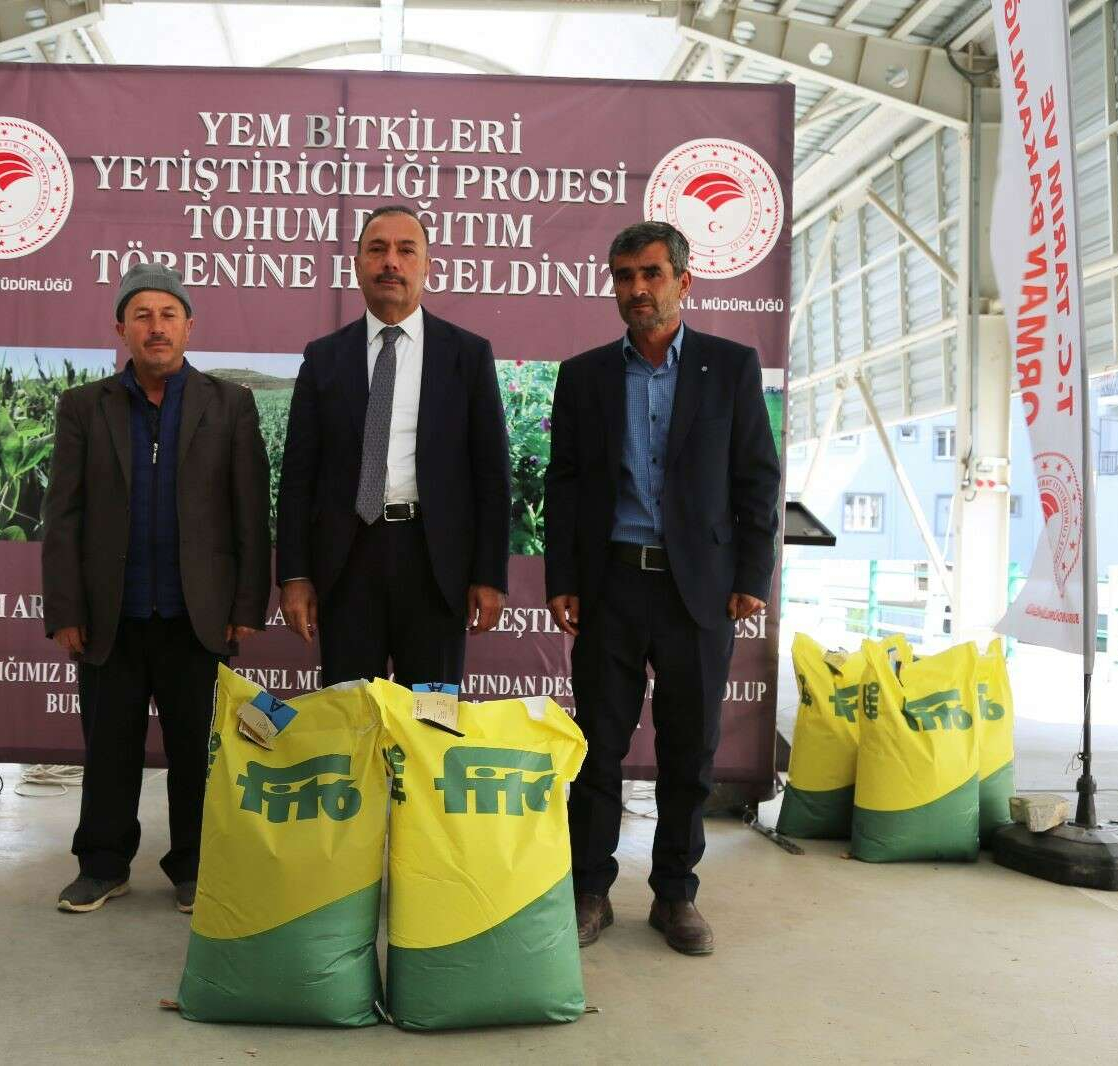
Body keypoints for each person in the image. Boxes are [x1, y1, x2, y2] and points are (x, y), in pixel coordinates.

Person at [544, 220, 781, 954]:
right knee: (597, 748)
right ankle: (589, 891)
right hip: (611, 585)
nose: (637, 289)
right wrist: (563, 579)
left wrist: (752, 575)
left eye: (651, 274)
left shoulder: (729, 367)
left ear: (684, 280)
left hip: (697, 590)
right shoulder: (585, 375)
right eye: (624, 276)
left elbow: (757, 478)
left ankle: (675, 895)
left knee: (689, 751)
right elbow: (565, 484)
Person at [41, 263, 271, 916]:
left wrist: (246, 605)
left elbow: (251, 513)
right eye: (141, 315)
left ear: (188, 326)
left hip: (197, 617)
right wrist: (66, 609)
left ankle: (195, 867)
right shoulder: (84, 407)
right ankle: (102, 865)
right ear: (122, 328)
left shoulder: (229, 404)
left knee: (198, 754)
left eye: (168, 315)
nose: (156, 327)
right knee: (108, 750)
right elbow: (63, 516)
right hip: (109, 616)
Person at [275, 205, 510, 688]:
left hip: (435, 564)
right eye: (377, 249)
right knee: (352, 714)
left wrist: (489, 575)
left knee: (430, 717)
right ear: (357, 264)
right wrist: (294, 575)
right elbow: (298, 476)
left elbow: (491, 474)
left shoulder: (468, 355)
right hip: (346, 563)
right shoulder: (323, 358)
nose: (391, 262)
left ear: (427, 266)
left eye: (406, 250)